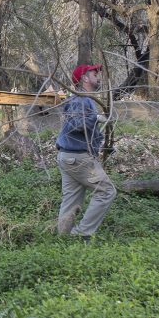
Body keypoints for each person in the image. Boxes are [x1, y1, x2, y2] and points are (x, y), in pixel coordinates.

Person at [55, 63, 116, 240]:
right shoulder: (81, 100)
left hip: (67, 157)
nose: (98, 76)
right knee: (106, 191)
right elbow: (75, 125)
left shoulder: (80, 99)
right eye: (94, 73)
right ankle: (82, 234)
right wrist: (95, 118)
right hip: (79, 158)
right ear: (84, 78)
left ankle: (63, 239)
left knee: (71, 201)